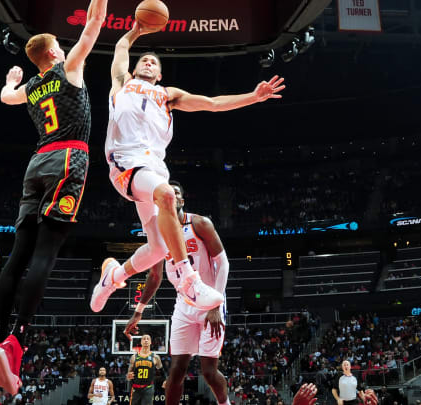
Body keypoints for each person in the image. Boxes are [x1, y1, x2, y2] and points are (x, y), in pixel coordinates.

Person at [90, 21, 286, 313]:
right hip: (126, 164)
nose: (148, 62)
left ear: (159, 74)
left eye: (154, 62)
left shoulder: (168, 96)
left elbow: (213, 104)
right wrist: (136, 31)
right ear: (134, 68)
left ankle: (112, 277)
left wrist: (253, 97)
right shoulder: (121, 84)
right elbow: (120, 48)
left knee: (158, 248)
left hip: (154, 168)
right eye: (144, 59)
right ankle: (187, 281)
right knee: (168, 195)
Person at [0, 0, 108, 395]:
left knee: (19, 253)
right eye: (60, 47)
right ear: (53, 52)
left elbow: (5, 98)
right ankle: (16, 342)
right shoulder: (68, 69)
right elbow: (95, 22)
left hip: (37, 163)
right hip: (68, 157)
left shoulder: (33, 87)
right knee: (45, 254)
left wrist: (11, 80)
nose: (67, 50)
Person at [121, 181, 230, 405]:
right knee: (176, 371)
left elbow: (223, 263)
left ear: (180, 200)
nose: (171, 196)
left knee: (209, 371)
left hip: (209, 299)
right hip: (184, 303)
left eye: (176, 193)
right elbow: (154, 276)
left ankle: (225, 403)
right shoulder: (158, 234)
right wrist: (139, 310)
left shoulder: (199, 223)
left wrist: (215, 305)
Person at [126, 334, 165, 405]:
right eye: (144, 339)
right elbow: (128, 374)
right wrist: (128, 376)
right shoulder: (134, 357)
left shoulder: (155, 357)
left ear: (150, 342)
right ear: (141, 342)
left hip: (148, 387)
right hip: (136, 387)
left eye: (148, 339)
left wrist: (165, 380)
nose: (146, 340)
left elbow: (162, 371)